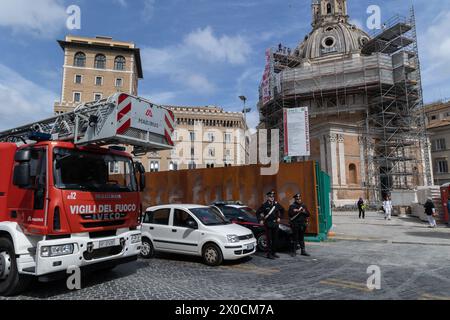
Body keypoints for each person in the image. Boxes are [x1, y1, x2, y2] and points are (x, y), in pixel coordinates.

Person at [256, 191, 285, 259]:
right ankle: (269, 254)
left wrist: (279, 217)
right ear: (268, 197)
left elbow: (282, 210)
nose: (272, 198)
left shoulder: (276, 204)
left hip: (275, 224)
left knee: (275, 239)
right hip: (268, 224)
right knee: (269, 240)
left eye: (273, 197)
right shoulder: (264, 205)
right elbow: (258, 212)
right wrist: (260, 220)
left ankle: (273, 253)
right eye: (270, 197)